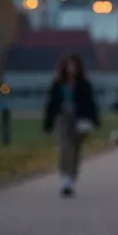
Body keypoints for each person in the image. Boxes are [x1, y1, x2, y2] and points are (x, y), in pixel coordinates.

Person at [42, 53, 100, 197]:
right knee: (65, 147)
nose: (71, 69)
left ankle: (72, 176)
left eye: (73, 66)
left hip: (79, 119)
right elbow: (51, 103)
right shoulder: (57, 84)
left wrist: (94, 120)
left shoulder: (84, 84)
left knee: (76, 149)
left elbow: (91, 103)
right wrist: (48, 122)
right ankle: (65, 177)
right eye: (68, 66)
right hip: (63, 117)